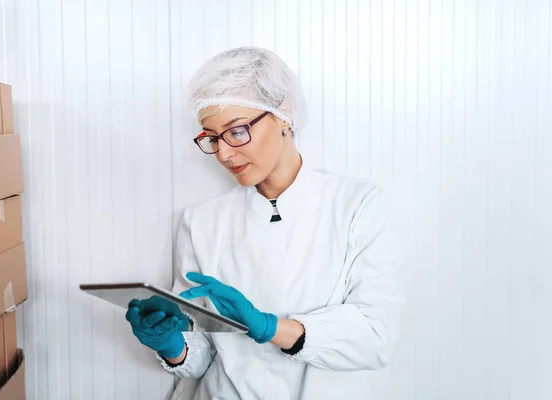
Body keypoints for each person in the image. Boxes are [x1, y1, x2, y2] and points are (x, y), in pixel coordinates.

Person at [125, 46, 405, 399]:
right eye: (212, 137)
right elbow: (200, 360)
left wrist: (270, 327)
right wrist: (172, 344)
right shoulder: (202, 222)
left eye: (237, 131)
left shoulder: (357, 206)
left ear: (283, 115)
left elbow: (375, 339)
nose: (224, 153)